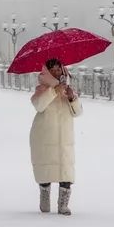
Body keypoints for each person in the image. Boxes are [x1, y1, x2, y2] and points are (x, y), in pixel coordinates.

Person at [29, 58, 83, 215]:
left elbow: (78, 112)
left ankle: (63, 205)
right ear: (47, 71)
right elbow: (39, 105)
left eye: (59, 69)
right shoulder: (42, 89)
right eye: (52, 69)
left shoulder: (68, 89)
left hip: (64, 137)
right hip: (45, 135)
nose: (56, 72)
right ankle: (44, 199)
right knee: (46, 168)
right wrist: (54, 91)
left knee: (66, 169)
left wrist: (73, 97)